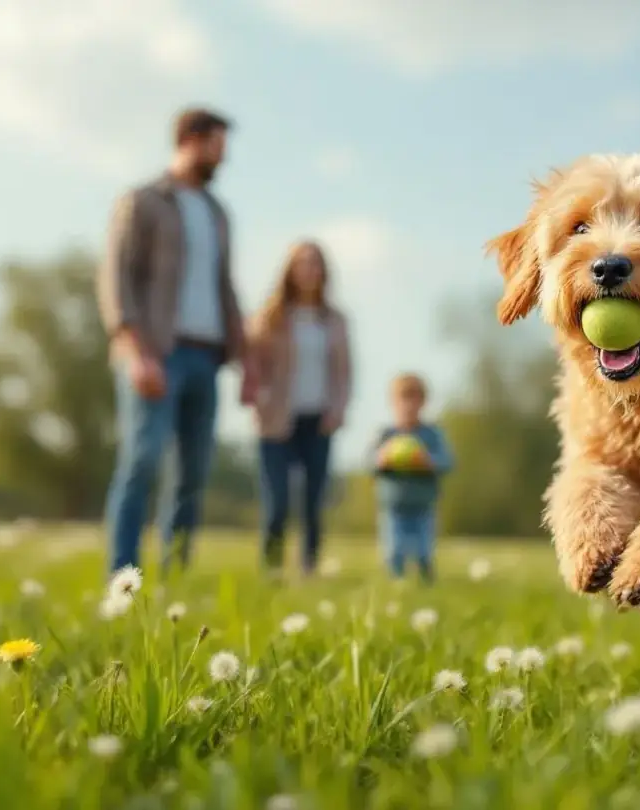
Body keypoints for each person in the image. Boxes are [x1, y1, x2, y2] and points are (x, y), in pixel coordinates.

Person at [97, 107, 252, 575]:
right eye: (216, 146)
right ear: (190, 139)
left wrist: (246, 360)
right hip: (156, 353)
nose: (222, 158)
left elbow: (225, 286)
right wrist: (135, 350)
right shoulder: (144, 200)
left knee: (192, 475)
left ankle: (175, 576)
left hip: (207, 357)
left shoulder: (216, 212)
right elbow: (115, 276)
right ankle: (123, 576)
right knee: (141, 463)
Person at [244, 241, 353, 576]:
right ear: (290, 271)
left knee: (313, 502)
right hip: (276, 419)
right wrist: (258, 397)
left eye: (315, 263)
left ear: (324, 272)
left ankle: (309, 567)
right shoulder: (270, 316)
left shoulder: (334, 320)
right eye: (302, 263)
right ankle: (272, 568)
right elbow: (251, 362)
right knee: (277, 502)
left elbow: (344, 371)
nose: (309, 270)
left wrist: (339, 408)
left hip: (318, 418)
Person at [371, 373, 453, 583]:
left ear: (423, 402)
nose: (408, 406)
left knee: (424, 548)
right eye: (403, 399)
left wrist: (427, 462)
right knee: (394, 549)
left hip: (423, 504)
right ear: (393, 403)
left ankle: (426, 578)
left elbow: (448, 461)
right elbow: (369, 462)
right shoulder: (386, 435)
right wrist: (382, 459)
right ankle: (397, 582)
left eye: (413, 399)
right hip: (393, 505)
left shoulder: (431, 434)